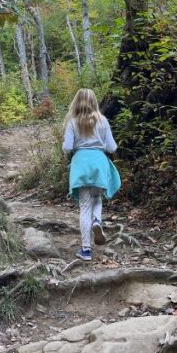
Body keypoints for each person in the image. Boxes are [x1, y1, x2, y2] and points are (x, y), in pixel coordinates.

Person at [62, 88, 121, 262]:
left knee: (84, 207)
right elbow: (112, 148)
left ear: (76, 102)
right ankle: (97, 220)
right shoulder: (103, 121)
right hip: (99, 164)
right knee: (97, 199)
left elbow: (67, 147)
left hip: (81, 164)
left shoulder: (72, 122)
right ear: (94, 101)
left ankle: (86, 250)